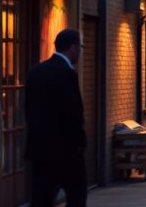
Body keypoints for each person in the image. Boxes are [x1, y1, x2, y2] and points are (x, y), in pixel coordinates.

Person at [26, 29, 88, 207]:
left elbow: (29, 111)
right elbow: (73, 114)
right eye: (79, 48)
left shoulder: (35, 72)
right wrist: (79, 143)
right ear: (73, 48)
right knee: (76, 196)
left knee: (41, 197)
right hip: (66, 151)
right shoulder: (67, 74)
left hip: (40, 150)